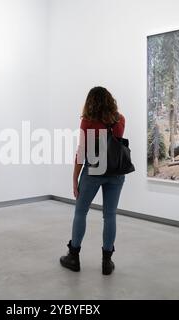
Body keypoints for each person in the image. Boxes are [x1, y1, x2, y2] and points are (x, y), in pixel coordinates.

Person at [60, 87, 126, 276]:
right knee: (110, 215)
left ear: (90, 102)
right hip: (116, 172)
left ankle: (73, 256)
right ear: (109, 100)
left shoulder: (88, 121)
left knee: (81, 212)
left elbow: (82, 151)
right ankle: (107, 261)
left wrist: (75, 178)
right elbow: (115, 143)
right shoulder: (120, 119)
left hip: (94, 170)